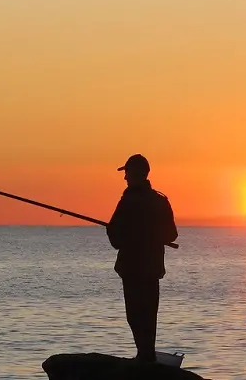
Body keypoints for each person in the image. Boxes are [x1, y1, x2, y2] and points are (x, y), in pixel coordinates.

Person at [106, 154, 178, 364]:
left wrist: (114, 231)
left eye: (127, 173)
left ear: (137, 174)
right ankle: (147, 355)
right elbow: (171, 234)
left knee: (135, 313)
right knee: (149, 313)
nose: (125, 178)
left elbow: (116, 238)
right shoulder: (160, 200)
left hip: (131, 268)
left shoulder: (128, 200)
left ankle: (144, 356)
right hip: (152, 268)